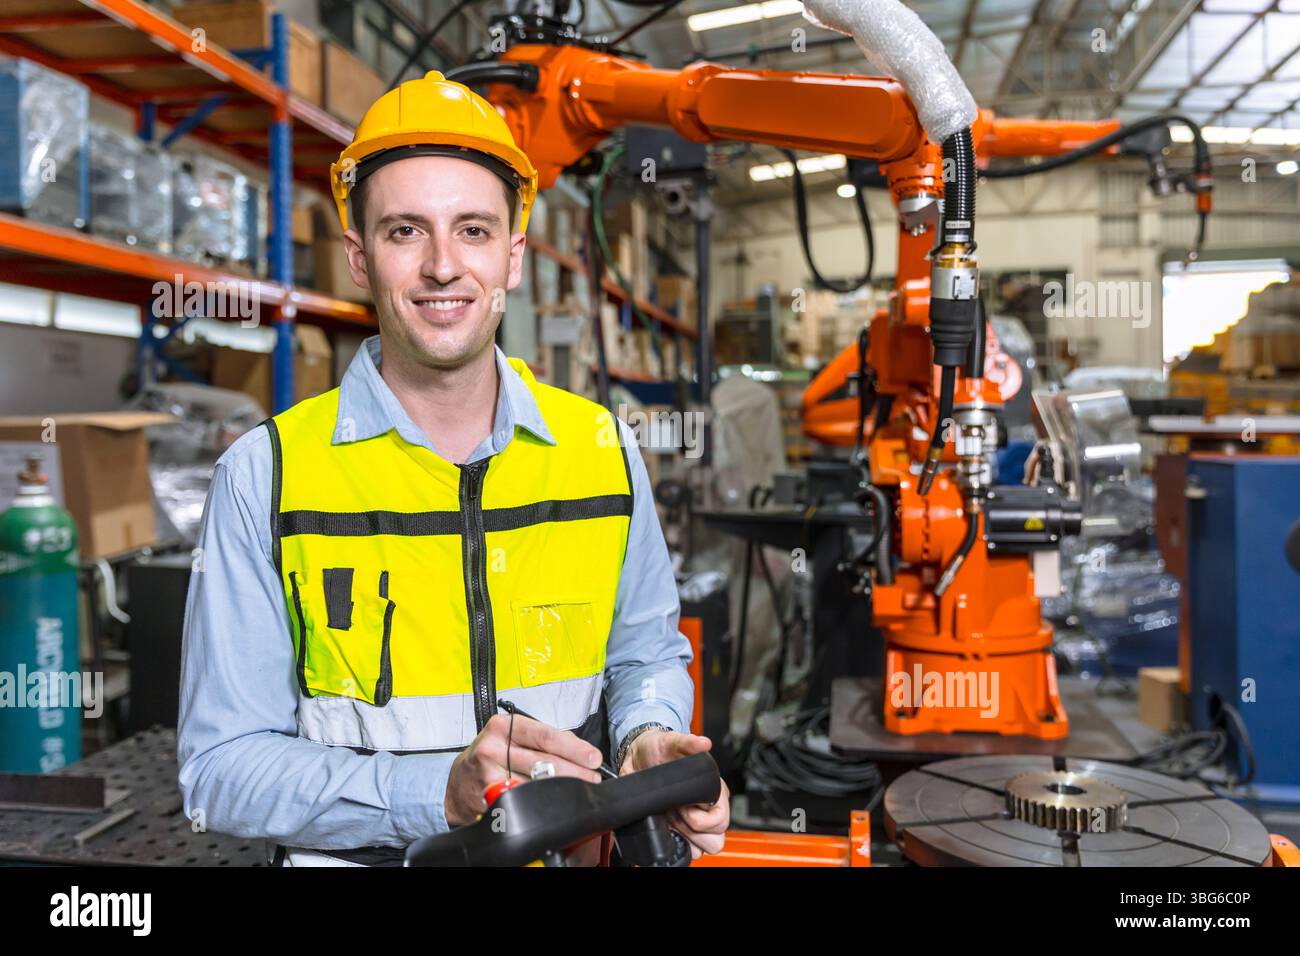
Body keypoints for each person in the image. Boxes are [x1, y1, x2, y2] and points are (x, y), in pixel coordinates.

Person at [177, 71, 729, 866]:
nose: (442, 266)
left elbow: (646, 654)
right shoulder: (265, 477)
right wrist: (435, 793)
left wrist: (647, 736)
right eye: (406, 231)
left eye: (472, 230)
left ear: (511, 256)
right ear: (360, 258)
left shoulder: (601, 451)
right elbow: (219, 771)